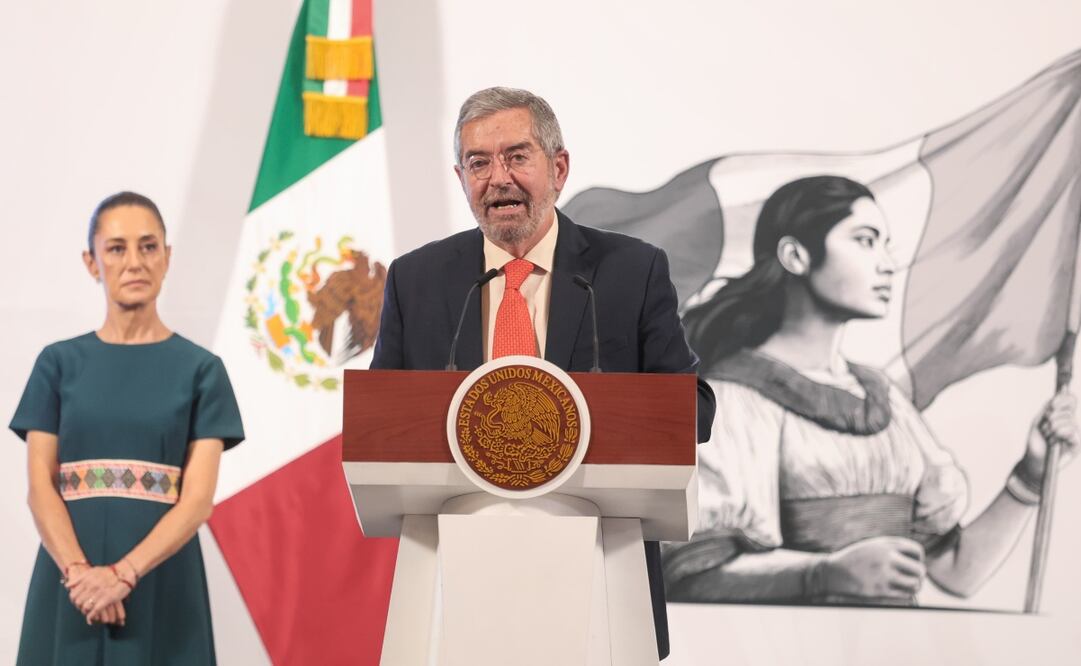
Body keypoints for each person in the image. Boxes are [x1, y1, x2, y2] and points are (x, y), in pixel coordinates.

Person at [370, 86, 715, 659]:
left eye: (517, 156)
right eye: (478, 163)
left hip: (600, 574)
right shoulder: (417, 279)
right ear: (460, 178)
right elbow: (380, 427)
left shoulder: (630, 270)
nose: (497, 177)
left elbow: (694, 411)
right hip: (453, 581)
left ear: (558, 168)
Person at [663, 175, 1078, 605]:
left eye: (885, 244)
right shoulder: (735, 399)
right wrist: (823, 574)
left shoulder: (885, 399)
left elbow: (957, 572)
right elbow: (693, 574)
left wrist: (1031, 473)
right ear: (795, 255)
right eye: (865, 240)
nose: (886, 263)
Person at [10, 192, 245, 664]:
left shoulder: (202, 370)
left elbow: (198, 500)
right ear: (91, 262)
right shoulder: (57, 364)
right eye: (116, 248)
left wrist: (123, 575)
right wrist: (82, 576)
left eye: (148, 246)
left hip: (163, 579)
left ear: (168, 256)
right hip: (69, 583)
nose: (134, 261)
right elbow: (40, 488)